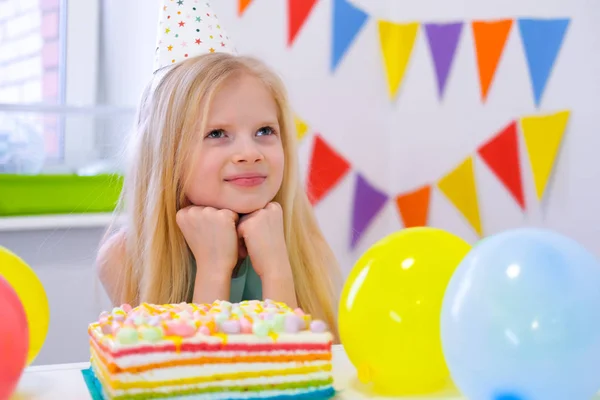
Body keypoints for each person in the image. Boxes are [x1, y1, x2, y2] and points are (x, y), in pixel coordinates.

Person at [96, 1, 342, 337]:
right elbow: (187, 381)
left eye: (265, 131)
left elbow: (289, 374)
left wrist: (275, 269)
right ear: (166, 154)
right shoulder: (124, 257)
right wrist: (213, 269)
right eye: (217, 133)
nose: (249, 152)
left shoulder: (302, 244)